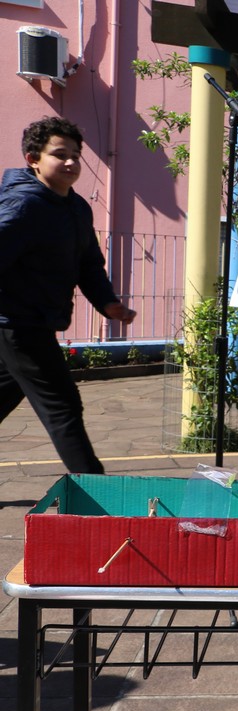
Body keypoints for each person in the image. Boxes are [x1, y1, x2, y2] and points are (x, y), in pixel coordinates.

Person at [0, 116, 135, 474]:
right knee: (62, 406)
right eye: (60, 155)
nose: (71, 162)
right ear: (33, 159)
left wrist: (107, 302)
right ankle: (95, 493)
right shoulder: (23, 206)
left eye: (76, 154)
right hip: (17, 324)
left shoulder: (76, 207)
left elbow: (88, 264)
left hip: (33, 322)